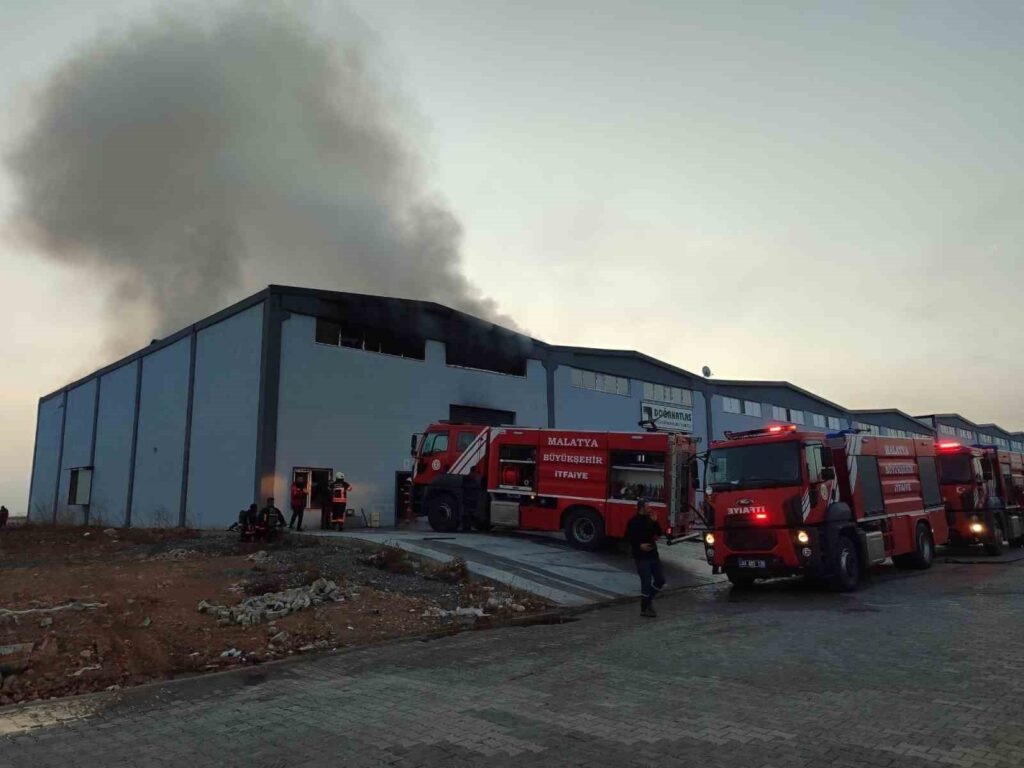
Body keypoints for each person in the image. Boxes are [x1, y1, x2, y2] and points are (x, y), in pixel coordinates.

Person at [624, 499, 666, 618]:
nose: (650, 509)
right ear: (641, 508)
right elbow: (628, 537)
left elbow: (659, 533)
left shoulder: (650, 520)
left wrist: (655, 521)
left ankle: (648, 601)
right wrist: (639, 546)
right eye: (647, 507)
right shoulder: (633, 522)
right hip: (641, 557)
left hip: (653, 555)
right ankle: (645, 607)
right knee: (646, 582)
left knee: (660, 579)